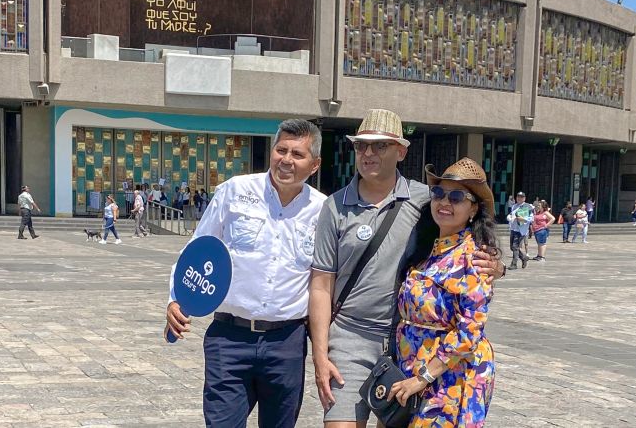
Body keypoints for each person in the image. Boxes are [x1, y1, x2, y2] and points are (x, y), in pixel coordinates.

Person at [308, 110, 503, 427]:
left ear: (401, 151)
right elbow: (320, 285)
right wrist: (319, 356)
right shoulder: (335, 206)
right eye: (361, 146)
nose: (369, 154)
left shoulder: (425, 201)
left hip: (410, 350)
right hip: (351, 338)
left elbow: (467, 245)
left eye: (380, 146)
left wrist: (496, 266)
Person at [165, 119, 326, 427]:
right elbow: (197, 249)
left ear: (314, 165)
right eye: (281, 150)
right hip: (229, 338)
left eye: (297, 154)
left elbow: (324, 279)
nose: (286, 160)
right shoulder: (235, 191)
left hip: (286, 343)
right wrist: (176, 299)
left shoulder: (323, 210)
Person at [389, 158, 497, 426]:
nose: (445, 202)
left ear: (473, 209)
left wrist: (423, 377)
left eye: (457, 196)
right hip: (414, 368)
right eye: (439, 193)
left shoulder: (474, 258)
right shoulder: (429, 248)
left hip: (450, 375)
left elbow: (469, 331)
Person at [506, 191, 532, 269]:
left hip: (521, 230)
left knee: (515, 246)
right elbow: (511, 214)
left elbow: (530, 218)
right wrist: (509, 217)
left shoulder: (527, 206)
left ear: (524, 198)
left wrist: (523, 219)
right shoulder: (514, 206)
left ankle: (514, 264)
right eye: (518, 197)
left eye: (521, 197)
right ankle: (524, 258)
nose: (519, 198)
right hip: (513, 229)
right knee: (512, 247)